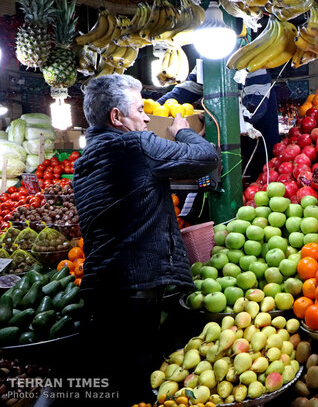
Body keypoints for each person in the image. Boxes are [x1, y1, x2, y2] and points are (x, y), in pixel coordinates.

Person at [71, 74, 219, 405]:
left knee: (118, 383)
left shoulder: (85, 162)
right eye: (139, 109)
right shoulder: (134, 145)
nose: (147, 116)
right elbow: (207, 157)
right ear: (116, 117)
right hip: (135, 296)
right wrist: (182, 130)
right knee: (140, 388)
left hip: (103, 293)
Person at [158, 67, 279, 182]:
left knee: (255, 187)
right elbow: (184, 91)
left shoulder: (255, 67)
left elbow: (253, 110)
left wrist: (213, 120)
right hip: (223, 150)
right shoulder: (206, 63)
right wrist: (150, 109)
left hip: (258, 148)